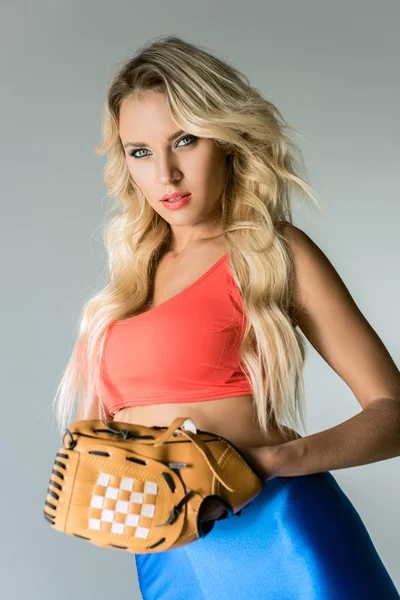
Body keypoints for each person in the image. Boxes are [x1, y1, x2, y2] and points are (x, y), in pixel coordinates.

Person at [53, 35, 400, 599]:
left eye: (184, 140)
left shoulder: (273, 251)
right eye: (140, 151)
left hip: (283, 539)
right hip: (171, 561)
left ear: (227, 138)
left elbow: (393, 411)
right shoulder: (123, 288)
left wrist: (277, 461)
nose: (165, 174)